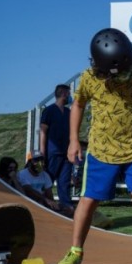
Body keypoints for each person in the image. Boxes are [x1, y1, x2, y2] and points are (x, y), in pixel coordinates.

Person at [55, 28, 132, 264]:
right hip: (101, 150)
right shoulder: (89, 78)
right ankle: (75, 251)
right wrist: (73, 140)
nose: (125, 75)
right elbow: (78, 106)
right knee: (88, 201)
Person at [40, 84, 74, 212]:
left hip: (66, 153)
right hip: (52, 153)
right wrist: (43, 153)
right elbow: (43, 132)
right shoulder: (49, 111)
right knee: (48, 181)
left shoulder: (68, 113)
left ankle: (67, 208)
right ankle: (44, 205)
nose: (70, 96)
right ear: (63, 94)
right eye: (69, 93)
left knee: (64, 182)